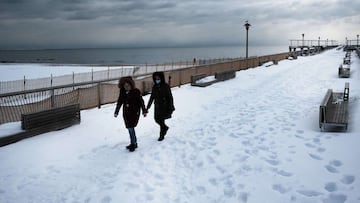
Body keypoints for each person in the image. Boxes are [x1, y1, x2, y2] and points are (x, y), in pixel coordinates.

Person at [114, 76, 147, 152]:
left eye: (127, 85)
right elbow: (119, 102)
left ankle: (134, 143)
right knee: (129, 128)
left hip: (134, 113)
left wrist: (144, 111)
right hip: (126, 113)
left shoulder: (136, 91)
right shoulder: (123, 92)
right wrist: (116, 111)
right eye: (124, 86)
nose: (126, 87)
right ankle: (133, 143)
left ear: (131, 85)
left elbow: (141, 102)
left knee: (131, 128)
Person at [146, 72, 175, 141]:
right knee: (156, 119)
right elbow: (151, 97)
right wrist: (147, 107)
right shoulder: (154, 87)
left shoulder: (166, 86)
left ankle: (161, 135)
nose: (157, 79)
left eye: (158, 78)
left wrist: (171, 107)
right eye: (155, 78)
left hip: (164, 107)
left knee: (162, 120)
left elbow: (170, 97)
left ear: (161, 78)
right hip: (157, 107)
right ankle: (165, 128)